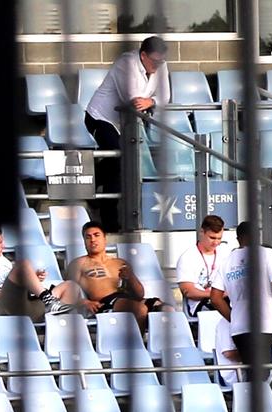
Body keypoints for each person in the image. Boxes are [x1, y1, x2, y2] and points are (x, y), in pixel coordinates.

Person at [85, 36, 170, 231]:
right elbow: (132, 100)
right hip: (101, 117)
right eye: (154, 61)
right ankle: (109, 219)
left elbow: (164, 96)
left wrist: (152, 101)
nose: (158, 65)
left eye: (161, 61)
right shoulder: (126, 63)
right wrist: (149, 101)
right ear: (143, 55)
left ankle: (91, 183)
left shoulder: (161, 65)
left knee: (117, 158)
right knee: (119, 157)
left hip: (128, 123)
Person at [210, 221, 272, 381]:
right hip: (264, 325)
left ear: (238, 238)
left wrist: (233, 317)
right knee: (266, 375)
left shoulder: (227, 261)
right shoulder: (266, 254)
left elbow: (215, 297)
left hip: (240, 328)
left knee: (254, 374)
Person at [67, 221, 171, 332]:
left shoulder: (120, 262)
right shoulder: (79, 263)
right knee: (140, 309)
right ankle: (137, 346)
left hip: (128, 299)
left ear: (104, 238)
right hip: (105, 303)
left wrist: (130, 277)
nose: (93, 240)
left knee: (167, 309)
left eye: (96, 235)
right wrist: (84, 302)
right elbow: (68, 289)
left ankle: (160, 346)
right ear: (84, 242)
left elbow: (140, 294)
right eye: (88, 237)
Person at [0, 226, 77, 322]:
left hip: (23, 304)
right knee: (22, 264)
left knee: (70, 286)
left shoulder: (2, 259)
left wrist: (30, 281)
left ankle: (54, 321)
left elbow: (15, 282)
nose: (4, 246)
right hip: (2, 310)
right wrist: (9, 288)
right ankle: (49, 301)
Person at [176, 215, 230, 318]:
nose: (216, 242)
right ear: (202, 232)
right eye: (212, 238)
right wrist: (216, 295)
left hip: (225, 299)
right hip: (201, 305)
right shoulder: (188, 257)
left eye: (219, 238)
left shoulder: (225, 253)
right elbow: (188, 291)